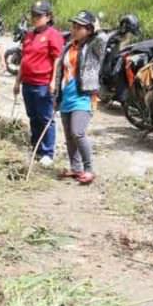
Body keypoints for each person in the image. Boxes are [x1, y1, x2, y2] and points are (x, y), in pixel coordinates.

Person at [53, 11, 106, 185]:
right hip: (67, 96)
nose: (74, 30)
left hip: (83, 96)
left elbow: (103, 40)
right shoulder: (69, 47)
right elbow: (62, 72)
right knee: (69, 136)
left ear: (89, 30)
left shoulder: (93, 47)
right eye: (73, 26)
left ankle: (89, 169)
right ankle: (76, 168)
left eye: (79, 27)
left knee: (78, 132)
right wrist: (57, 97)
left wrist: (97, 31)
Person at [13, 0, 64, 167]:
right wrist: (17, 81)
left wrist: (53, 82)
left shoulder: (52, 35)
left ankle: (47, 152)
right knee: (33, 117)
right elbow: (24, 59)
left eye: (39, 15)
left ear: (48, 17)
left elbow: (57, 59)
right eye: (33, 15)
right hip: (28, 82)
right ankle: (36, 147)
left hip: (43, 83)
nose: (35, 18)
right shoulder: (29, 35)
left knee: (45, 118)